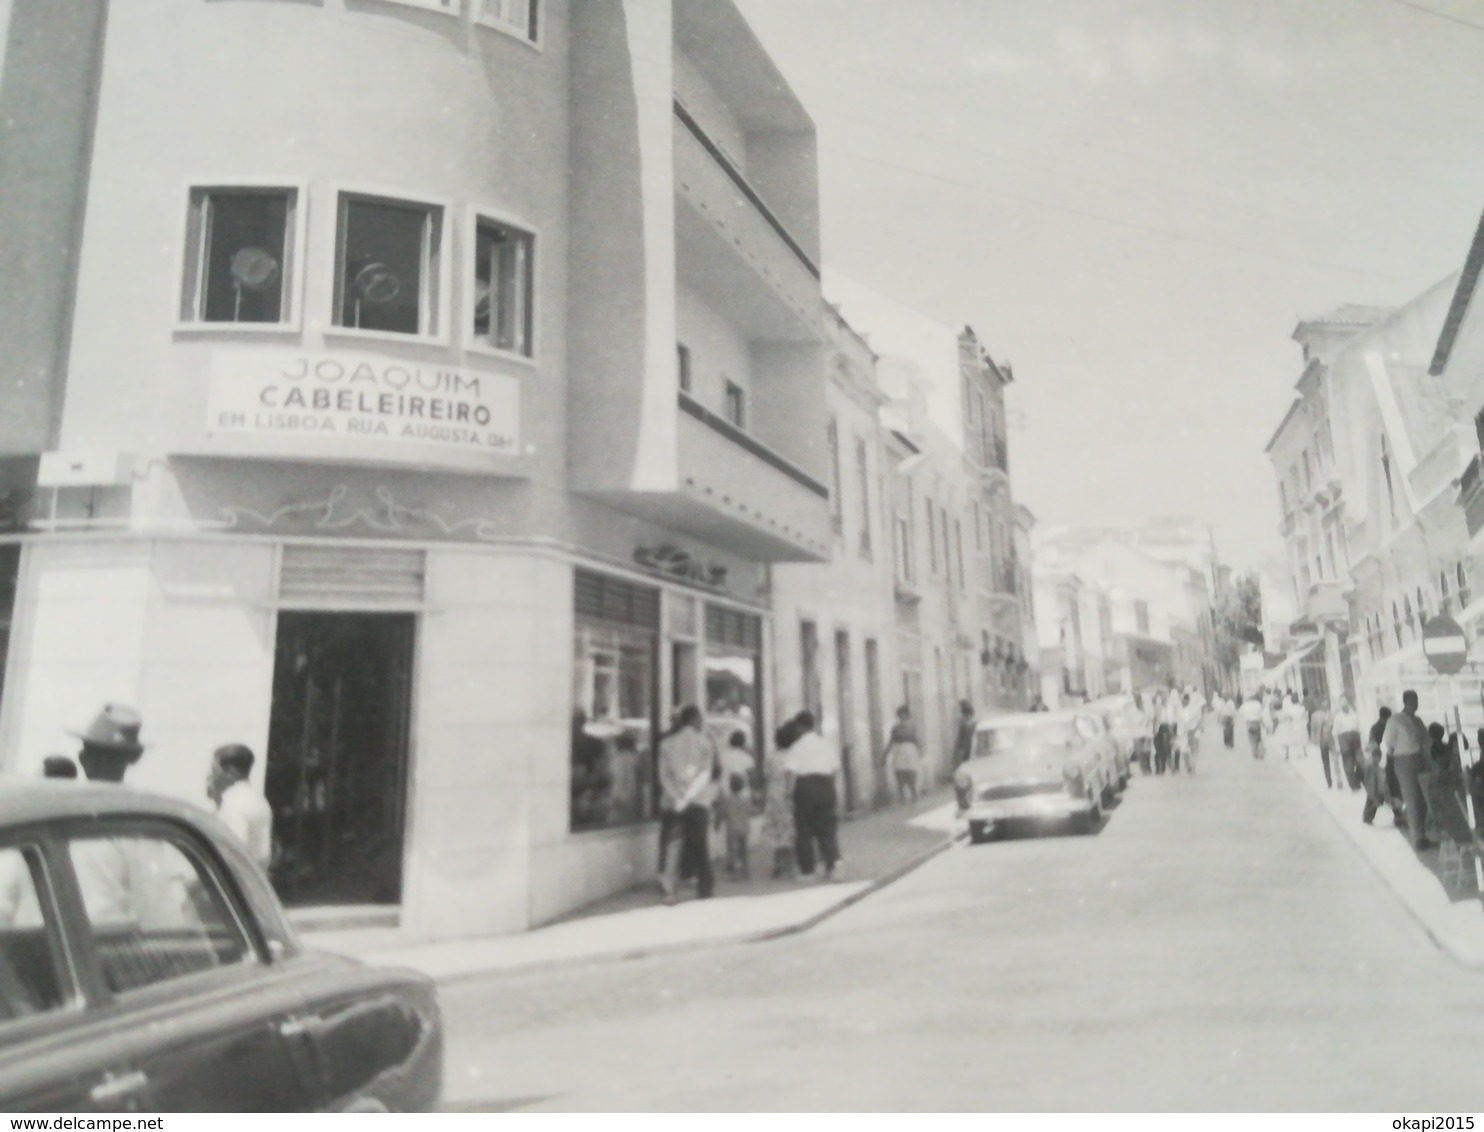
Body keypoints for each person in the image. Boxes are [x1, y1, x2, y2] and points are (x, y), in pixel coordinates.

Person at [657, 705, 719, 904]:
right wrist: (690, 795)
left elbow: (663, 775)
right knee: (700, 844)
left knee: (673, 844)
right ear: (693, 719)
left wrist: (676, 796)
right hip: (698, 800)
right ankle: (704, 888)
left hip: (673, 801)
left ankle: (669, 890)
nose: (702, 723)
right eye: (700, 719)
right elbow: (706, 773)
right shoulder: (705, 742)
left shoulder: (666, 744)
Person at [786, 710, 842, 882]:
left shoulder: (797, 746)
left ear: (800, 727)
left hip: (806, 788)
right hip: (825, 786)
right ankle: (832, 868)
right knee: (827, 830)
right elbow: (835, 769)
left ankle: (808, 871)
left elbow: (790, 773)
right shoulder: (825, 744)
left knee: (804, 831)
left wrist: (789, 794)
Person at [206, 744, 274, 870]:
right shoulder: (256, 798)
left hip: (237, 880)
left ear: (231, 772)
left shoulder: (234, 802)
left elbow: (231, 850)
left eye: (215, 770)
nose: (212, 775)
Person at [1380, 690, 1431, 850]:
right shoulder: (1395, 720)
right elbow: (1388, 742)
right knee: (1412, 797)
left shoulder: (1418, 721)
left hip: (1420, 759)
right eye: (1412, 700)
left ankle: (1422, 832)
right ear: (1406, 701)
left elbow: (1426, 740)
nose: (1416, 703)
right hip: (1404, 760)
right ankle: (1417, 837)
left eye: (1417, 700)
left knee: (1422, 798)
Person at [763, 720, 799, 879]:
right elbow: (792, 776)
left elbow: (766, 776)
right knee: (790, 830)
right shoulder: (792, 756)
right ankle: (790, 866)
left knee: (776, 831)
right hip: (787, 795)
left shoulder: (771, 757)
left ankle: (778, 863)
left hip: (773, 795)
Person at [885, 706, 924, 804]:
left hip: (910, 750)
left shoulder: (912, 726)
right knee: (899, 774)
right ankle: (902, 798)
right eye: (900, 714)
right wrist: (886, 754)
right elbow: (891, 740)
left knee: (911, 773)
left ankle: (914, 796)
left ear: (907, 715)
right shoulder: (895, 728)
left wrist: (920, 750)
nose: (902, 716)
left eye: (904, 714)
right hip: (899, 750)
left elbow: (916, 739)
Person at [1362, 706, 1393, 826]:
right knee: (1379, 790)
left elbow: (1371, 744)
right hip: (1381, 760)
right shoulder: (1385, 727)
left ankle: (1368, 815)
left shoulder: (1374, 728)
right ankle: (1368, 814)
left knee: (1376, 790)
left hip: (1378, 760)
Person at [717, 772, 752, 879]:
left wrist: (716, 823)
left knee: (732, 851)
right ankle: (745, 871)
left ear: (730, 786)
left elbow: (722, 813)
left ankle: (734, 873)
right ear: (742, 787)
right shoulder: (745, 800)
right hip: (744, 829)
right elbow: (751, 811)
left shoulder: (727, 800)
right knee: (743, 851)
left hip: (731, 829)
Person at [1332, 697, 1364, 791]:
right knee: (1348, 764)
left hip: (1355, 739)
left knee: (1359, 761)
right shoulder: (1338, 717)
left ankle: (1358, 780)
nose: (1344, 706)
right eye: (1342, 704)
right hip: (1344, 740)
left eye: (1345, 703)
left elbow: (1359, 728)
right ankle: (1354, 786)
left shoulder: (1354, 714)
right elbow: (1335, 732)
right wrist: (1337, 745)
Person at [1310, 699, 1336, 789]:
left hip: (1331, 740)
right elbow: (1313, 729)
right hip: (1322, 741)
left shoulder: (1332, 714)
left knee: (1335, 761)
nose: (1325, 706)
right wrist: (1314, 741)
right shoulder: (1315, 715)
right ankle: (1329, 781)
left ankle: (1338, 779)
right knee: (1326, 762)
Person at [1180, 692, 1205, 774]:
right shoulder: (1180, 709)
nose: (1183, 702)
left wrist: (1200, 729)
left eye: (1184, 700)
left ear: (1188, 700)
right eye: (1182, 700)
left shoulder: (1194, 709)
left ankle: (1193, 766)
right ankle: (1188, 766)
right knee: (1184, 750)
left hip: (1193, 730)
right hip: (1183, 732)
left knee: (1194, 750)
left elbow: (1199, 719)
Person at [1239, 692, 1266, 759]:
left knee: (1252, 739)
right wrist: (1263, 723)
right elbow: (1261, 715)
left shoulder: (1244, 705)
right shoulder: (1257, 704)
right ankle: (1261, 753)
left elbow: (1240, 713)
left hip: (1249, 723)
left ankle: (1255, 753)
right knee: (1259, 738)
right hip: (1257, 722)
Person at [952, 700, 976, 767]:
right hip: (969, 750)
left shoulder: (965, 725)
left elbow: (960, 739)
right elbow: (960, 739)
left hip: (969, 750)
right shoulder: (967, 724)